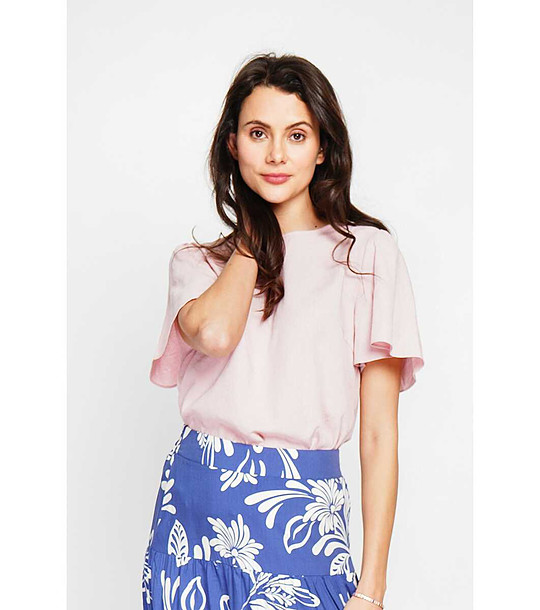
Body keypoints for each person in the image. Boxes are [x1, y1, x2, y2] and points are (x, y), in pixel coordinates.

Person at [142, 52, 424, 610]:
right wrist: (256, 233)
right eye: (257, 133)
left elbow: (378, 433)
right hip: (194, 522)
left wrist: (371, 589)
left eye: (296, 135)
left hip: (303, 522)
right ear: (232, 144)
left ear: (322, 149)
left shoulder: (366, 256)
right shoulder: (197, 263)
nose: (276, 154)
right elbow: (216, 335)